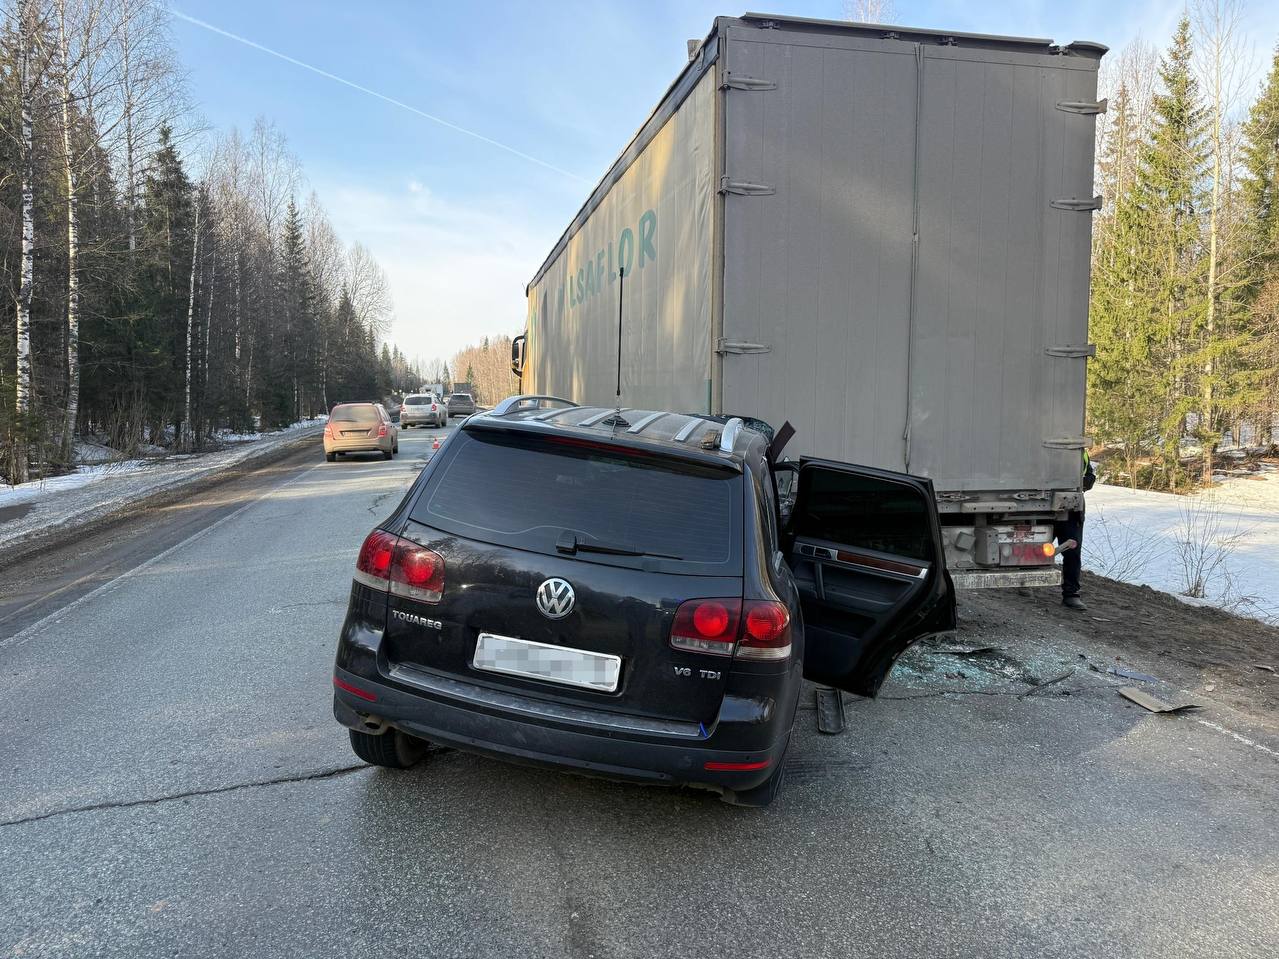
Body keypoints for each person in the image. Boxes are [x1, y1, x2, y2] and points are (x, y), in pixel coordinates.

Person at [1055, 450, 1096, 610]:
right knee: (1035, 547)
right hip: (1041, 503)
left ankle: (1071, 594)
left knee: (1072, 551)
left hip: (1072, 507)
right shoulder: (1041, 445)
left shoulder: (1081, 451)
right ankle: (1025, 583)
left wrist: (1086, 481)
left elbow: (1089, 476)